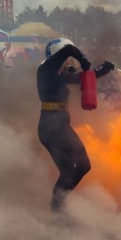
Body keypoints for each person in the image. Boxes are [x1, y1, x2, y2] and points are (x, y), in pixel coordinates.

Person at [37, 38, 115, 211]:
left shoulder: (57, 74)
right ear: (59, 54)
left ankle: (58, 205)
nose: (69, 63)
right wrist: (84, 61)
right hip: (51, 128)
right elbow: (70, 49)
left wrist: (103, 69)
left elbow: (81, 79)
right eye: (66, 59)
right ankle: (57, 208)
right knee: (71, 170)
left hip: (59, 126)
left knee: (80, 167)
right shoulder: (46, 69)